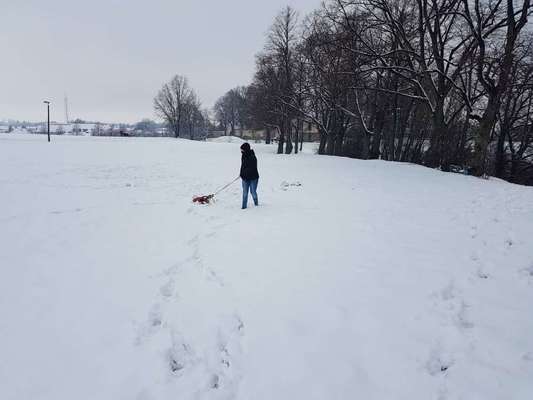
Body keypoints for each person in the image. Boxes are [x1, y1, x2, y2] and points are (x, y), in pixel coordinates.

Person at [239, 142, 259, 209]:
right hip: (245, 178)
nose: (241, 151)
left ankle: (256, 204)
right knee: (245, 193)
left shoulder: (253, 157)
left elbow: (252, 168)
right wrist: (241, 173)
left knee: (253, 192)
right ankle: (244, 207)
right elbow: (243, 166)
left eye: (242, 149)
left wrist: (244, 173)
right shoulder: (243, 156)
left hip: (253, 178)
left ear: (246, 149)